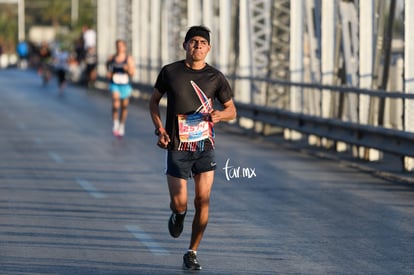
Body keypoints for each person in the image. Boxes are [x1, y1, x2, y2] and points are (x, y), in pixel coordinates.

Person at [149, 25, 237, 270]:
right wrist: (160, 128)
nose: (198, 46)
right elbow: (154, 102)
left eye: (202, 43)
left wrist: (221, 115)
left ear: (208, 48)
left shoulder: (216, 77)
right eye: (193, 42)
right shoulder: (170, 72)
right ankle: (178, 214)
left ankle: (192, 251)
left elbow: (232, 110)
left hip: (204, 146)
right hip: (177, 146)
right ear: (185, 45)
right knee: (180, 203)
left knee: (203, 200)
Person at [106, 39, 135, 137]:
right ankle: (115, 122)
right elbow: (107, 66)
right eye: (117, 46)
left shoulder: (128, 59)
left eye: (121, 46)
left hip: (125, 85)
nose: (119, 48)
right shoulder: (112, 58)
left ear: (125, 47)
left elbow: (132, 73)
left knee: (124, 107)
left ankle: (122, 125)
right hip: (115, 84)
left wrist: (127, 69)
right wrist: (109, 73)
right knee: (115, 103)